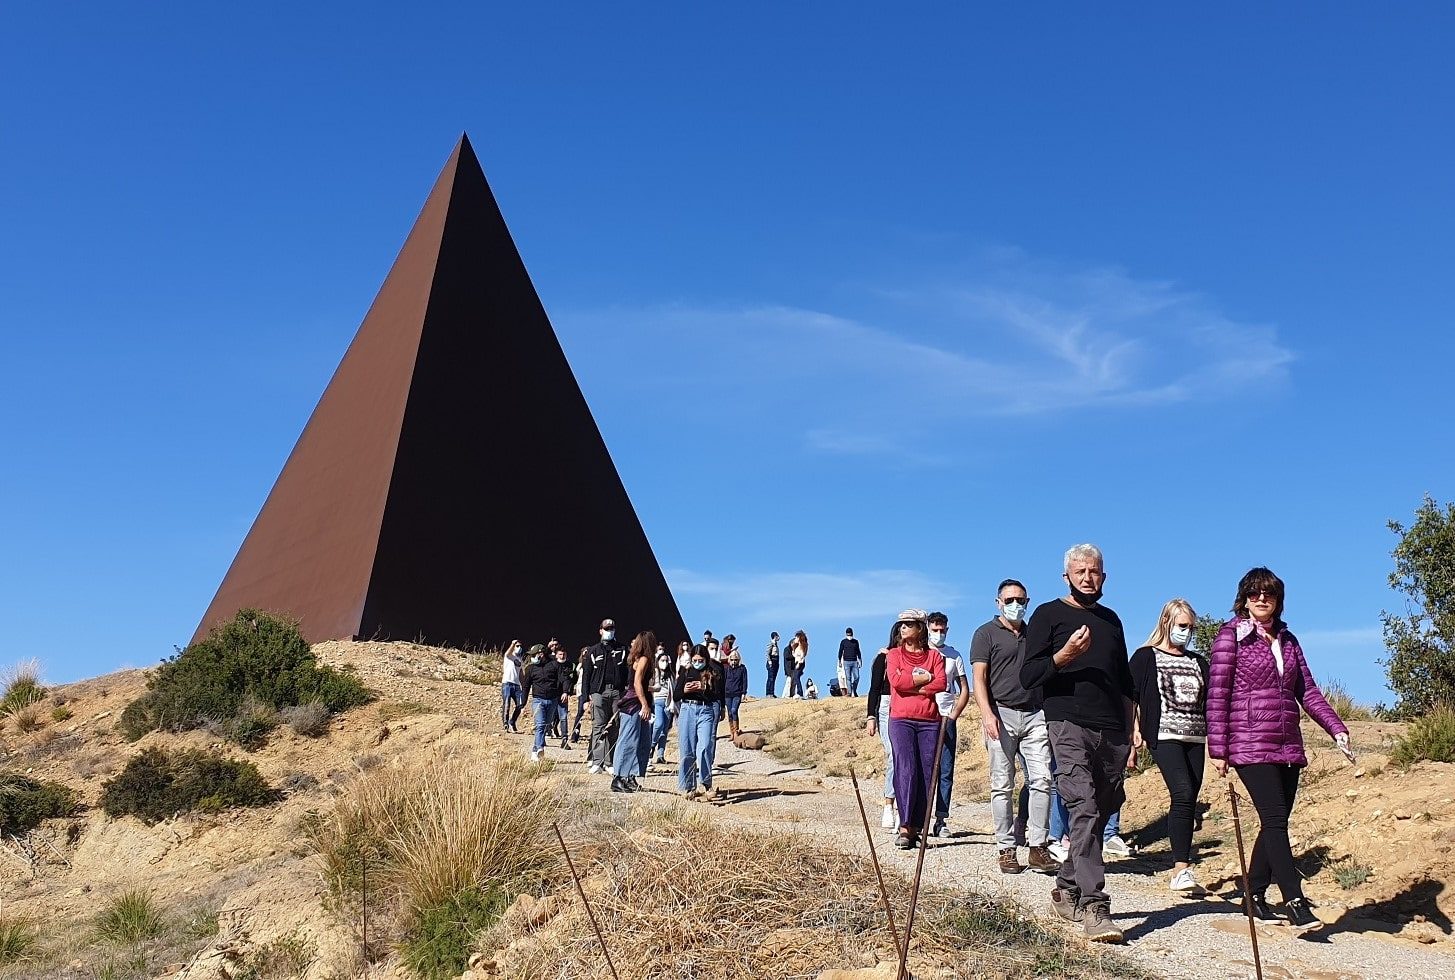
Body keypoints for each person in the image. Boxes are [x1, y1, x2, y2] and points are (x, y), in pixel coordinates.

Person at [1207, 568, 1351, 931]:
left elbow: (1309, 692)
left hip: (1287, 743)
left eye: (1268, 594)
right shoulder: (1230, 637)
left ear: (1278, 600)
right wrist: (1219, 748)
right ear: (1244, 598)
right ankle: (1294, 899)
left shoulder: (1288, 640)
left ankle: (1253, 894)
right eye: (1254, 593)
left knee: (1276, 822)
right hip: (1249, 740)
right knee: (1274, 821)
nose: (1261, 599)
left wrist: (1337, 728)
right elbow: (1218, 693)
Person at [1019, 543, 1134, 943]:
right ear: (1066, 575)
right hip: (1066, 723)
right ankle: (1095, 906)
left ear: (1104, 577)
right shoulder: (1048, 615)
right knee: (1082, 808)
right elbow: (1028, 675)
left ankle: (1067, 885)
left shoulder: (1112, 621)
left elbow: (1125, 684)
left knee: (1099, 815)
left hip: (1113, 731)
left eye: (1095, 572)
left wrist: (1131, 734)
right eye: (1081, 571)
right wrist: (1064, 655)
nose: (1089, 577)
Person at [971, 580, 1057, 875]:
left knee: (1043, 780)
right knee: (1002, 784)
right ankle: (1006, 848)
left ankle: (1038, 846)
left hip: (1035, 714)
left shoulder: (1036, 633)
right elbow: (979, 678)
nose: (1015, 604)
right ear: (998, 602)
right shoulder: (985, 633)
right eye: (1009, 599)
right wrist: (986, 713)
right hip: (1001, 714)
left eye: (1020, 599)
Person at [1130, 598, 1209, 893]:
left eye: (1190, 627)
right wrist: (1133, 730)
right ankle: (1181, 867)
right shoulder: (1144, 657)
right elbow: (1132, 696)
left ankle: (1182, 866)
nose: (1186, 632)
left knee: (1188, 798)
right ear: (1166, 623)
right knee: (1183, 791)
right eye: (1181, 625)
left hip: (1195, 737)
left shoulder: (1199, 662)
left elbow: (1210, 700)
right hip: (1163, 736)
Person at [886, 609, 947, 849]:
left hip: (929, 721)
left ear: (920, 627)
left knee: (926, 772)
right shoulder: (893, 655)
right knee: (906, 770)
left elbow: (941, 682)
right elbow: (896, 682)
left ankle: (919, 827)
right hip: (901, 719)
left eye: (909, 624)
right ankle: (905, 825)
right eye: (901, 624)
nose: (903, 628)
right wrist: (924, 680)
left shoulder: (934, 657)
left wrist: (912, 684)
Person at [926, 612, 970, 838]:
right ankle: (919, 817)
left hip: (946, 717)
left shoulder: (954, 655)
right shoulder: (922, 653)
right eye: (935, 629)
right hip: (924, 717)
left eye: (942, 630)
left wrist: (954, 714)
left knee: (945, 769)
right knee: (924, 768)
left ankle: (941, 819)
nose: (939, 634)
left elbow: (964, 688)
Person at [674, 643, 724, 800]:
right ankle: (689, 787)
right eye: (695, 659)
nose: (697, 662)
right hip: (687, 710)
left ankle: (707, 784)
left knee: (704, 747)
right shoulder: (686, 671)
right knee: (686, 749)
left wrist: (703, 687)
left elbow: (717, 694)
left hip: (706, 710)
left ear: (706, 659)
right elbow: (675, 695)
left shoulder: (713, 672)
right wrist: (685, 690)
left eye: (700, 659)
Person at [580, 618, 628, 775]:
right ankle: (597, 761)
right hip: (598, 693)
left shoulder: (622, 649)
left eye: (612, 628)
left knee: (614, 727)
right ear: (600, 630)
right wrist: (586, 698)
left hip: (617, 693)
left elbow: (627, 671)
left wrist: (626, 692)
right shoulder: (593, 651)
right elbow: (586, 676)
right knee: (598, 726)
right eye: (607, 628)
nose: (610, 631)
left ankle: (609, 761)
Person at [612, 632, 657, 793]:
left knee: (643, 740)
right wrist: (644, 704)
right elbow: (637, 683)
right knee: (628, 740)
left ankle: (631, 775)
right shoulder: (643, 659)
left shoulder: (638, 659)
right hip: (633, 704)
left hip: (639, 702)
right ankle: (619, 777)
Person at [865, 641, 897, 829]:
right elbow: (874, 688)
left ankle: (904, 809)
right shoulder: (883, 657)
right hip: (886, 705)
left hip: (908, 705)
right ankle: (889, 805)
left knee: (906, 757)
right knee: (893, 754)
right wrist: (871, 716)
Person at [520, 643, 569, 762]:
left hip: (552, 701)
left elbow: (564, 679)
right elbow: (526, 687)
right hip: (538, 700)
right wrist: (522, 704)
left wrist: (565, 692)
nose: (531, 658)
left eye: (533, 655)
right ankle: (539, 749)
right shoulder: (530, 669)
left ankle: (535, 749)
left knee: (547, 724)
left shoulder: (554, 665)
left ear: (541, 654)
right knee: (540, 725)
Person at [650, 645, 675, 765]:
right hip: (657, 701)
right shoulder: (655, 673)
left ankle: (660, 754)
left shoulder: (670, 675)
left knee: (665, 729)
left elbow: (673, 689)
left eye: (666, 660)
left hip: (668, 702)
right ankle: (652, 745)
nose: (664, 663)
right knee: (658, 724)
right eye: (662, 660)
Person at [552, 644, 576, 749]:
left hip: (562, 695)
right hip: (552, 694)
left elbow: (568, 679)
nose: (562, 656)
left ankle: (564, 739)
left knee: (563, 717)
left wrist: (566, 691)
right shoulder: (551, 665)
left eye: (563, 654)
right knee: (548, 717)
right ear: (556, 655)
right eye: (560, 654)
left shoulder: (569, 665)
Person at [723, 650, 748, 739]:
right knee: (729, 713)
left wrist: (744, 693)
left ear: (738, 660)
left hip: (737, 693)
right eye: (732, 659)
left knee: (734, 710)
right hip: (727, 694)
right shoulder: (726, 669)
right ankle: (732, 732)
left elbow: (744, 681)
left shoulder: (742, 669)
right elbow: (723, 681)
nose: (734, 661)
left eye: (736, 660)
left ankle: (736, 730)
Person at [501, 640, 525, 732]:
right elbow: (507, 653)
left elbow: (521, 675)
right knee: (506, 703)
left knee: (520, 704)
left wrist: (524, 687)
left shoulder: (520, 660)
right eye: (517, 646)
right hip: (507, 683)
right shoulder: (509, 656)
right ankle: (505, 723)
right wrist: (512, 644)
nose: (519, 648)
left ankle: (512, 721)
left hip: (517, 685)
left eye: (520, 646)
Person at [838, 628, 863, 696]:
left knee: (857, 677)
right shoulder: (843, 642)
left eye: (850, 634)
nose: (849, 635)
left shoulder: (856, 642)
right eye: (848, 634)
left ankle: (854, 690)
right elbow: (840, 651)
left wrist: (860, 660)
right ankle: (849, 692)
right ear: (846, 634)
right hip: (846, 662)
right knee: (848, 678)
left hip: (855, 662)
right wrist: (839, 661)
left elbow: (858, 651)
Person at [785, 631, 808, 698]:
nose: (795, 639)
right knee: (796, 677)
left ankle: (800, 693)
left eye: (796, 637)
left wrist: (798, 663)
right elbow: (796, 655)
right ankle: (799, 692)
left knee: (796, 677)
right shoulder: (798, 646)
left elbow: (802, 656)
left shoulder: (802, 646)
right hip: (798, 663)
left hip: (799, 663)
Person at [765, 631, 781, 697]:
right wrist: (769, 661)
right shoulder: (771, 643)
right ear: (775, 636)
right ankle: (769, 693)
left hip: (776, 661)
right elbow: (767, 653)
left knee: (774, 677)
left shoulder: (776, 644)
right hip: (772, 661)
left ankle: (772, 692)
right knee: (770, 677)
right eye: (777, 636)